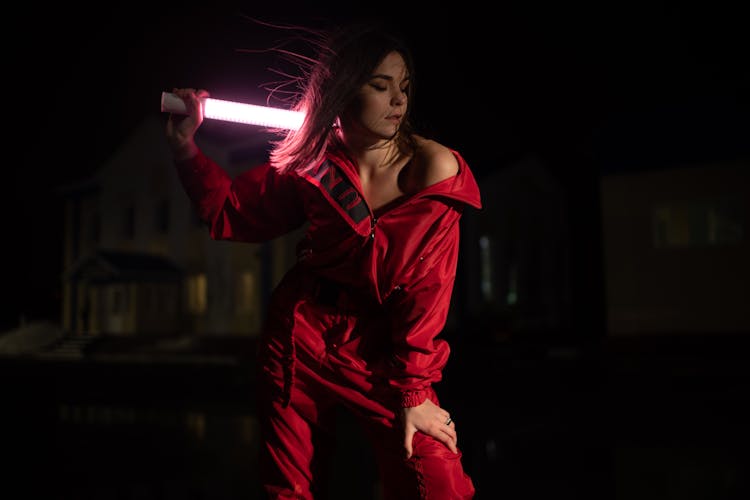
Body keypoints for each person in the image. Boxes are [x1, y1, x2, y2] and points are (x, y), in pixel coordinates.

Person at [166, 21, 481, 499]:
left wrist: (414, 392)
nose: (398, 100)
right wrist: (186, 147)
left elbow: (428, 291)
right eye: (380, 85)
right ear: (342, 89)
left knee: (436, 482)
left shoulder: (432, 170)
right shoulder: (315, 160)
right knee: (289, 490)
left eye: (405, 87)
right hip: (301, 333)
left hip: (383, 350)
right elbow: (235, 213)